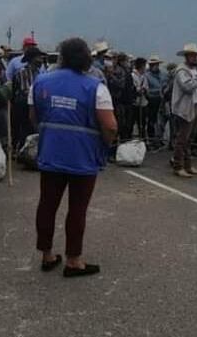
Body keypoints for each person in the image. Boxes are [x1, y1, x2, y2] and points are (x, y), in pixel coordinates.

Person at [32, 37, 118, 278]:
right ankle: (73, 260)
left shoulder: (40, 81)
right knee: (77, 209)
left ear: (61, 57)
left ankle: (47, 255)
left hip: (50, 154)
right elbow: (110, 126)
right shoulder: (96, 87)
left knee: (47, 204)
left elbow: (34, 117)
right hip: (83, 158)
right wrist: (104, 145)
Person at [171, 43, 197, 178]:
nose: (194, 58)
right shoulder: (182, 71)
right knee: (182, 139)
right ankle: (178, 166)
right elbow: (187, 88)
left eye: (195, 55)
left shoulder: (193, 70)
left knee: (188, 139)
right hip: (183, 108)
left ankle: (187, 165)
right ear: (186, 56)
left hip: (192, 106)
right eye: (192, 55)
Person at [11, 46, 44, 150]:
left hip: (34, 105)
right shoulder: (22, 73)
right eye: (38, 58)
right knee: (23, 130)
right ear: (31, 59)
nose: (41, 60)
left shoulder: (40, 73)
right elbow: (23, 91)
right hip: (23, 106)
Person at [146, 55, 166, 143]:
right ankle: (151, 139)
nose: (155, 66)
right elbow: (147, 90)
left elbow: (165, 85)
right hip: (152, 101)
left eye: (156, 64)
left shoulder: (163, 75)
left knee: (162, 121)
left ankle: (160, 138)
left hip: (162, 100)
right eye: (153, 64)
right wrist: (158, 90)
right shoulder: (147, 76)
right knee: (152, 120)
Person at [131, 57, 149, 138]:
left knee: (143, 123)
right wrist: (139, 90)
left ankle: (143, 138)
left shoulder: (144, 76)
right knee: (135, 122)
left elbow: (146, 87)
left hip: (143, 102)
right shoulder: (132, 76)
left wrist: (144, 90)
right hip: (135, 103)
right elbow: (134, 88)